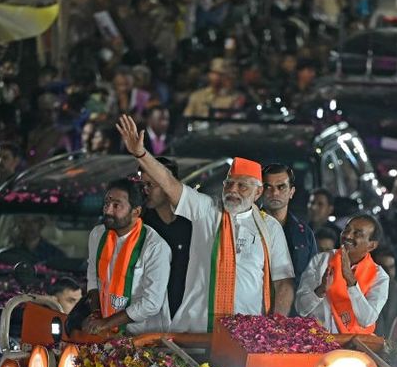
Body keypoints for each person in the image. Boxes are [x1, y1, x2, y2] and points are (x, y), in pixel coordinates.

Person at [116, 115, 294, 333]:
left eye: (242, 186)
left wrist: (274, 329)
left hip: (247, 337)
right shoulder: (207, 210)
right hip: (197, 333)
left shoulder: (270, 227)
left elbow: (283, 283)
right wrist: (141, 154)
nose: (233, 191)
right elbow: (170, 184)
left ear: (258, 192)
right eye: (229, 184)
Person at [70, 178, 171, 335]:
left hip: (145, 340)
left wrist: (106, 323)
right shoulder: (98, 234)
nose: (108, 210)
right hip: (106, 335)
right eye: (106, 204)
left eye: (116, 205)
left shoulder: (155, 247)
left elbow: (151, 303)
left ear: (136, 212)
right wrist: (96, 315)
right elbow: (93, 279)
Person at [295, 214, 390, 334]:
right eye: (347, 229)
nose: (348, 235)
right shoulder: (321, 261)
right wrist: (321, 290)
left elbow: (367, 320)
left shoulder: (380, 277)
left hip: (353, 347)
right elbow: (301, 308)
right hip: (315, 341)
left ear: (372, 245)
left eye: (357, 233)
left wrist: (351, 281)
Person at [141, 156, 191, 319]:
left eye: (150, 185)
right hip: (149, 314)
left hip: (186, 312)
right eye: (142, 185)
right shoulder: (141, 224)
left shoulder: (192, 222)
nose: (145, 190)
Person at [262, 163, 317, 283]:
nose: (275, 193)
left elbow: (312, 277)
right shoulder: (247, 227)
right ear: (260, 190)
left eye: (281, 187)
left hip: (294, 299)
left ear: (291, 192)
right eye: (268, 187)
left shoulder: (304, 233)